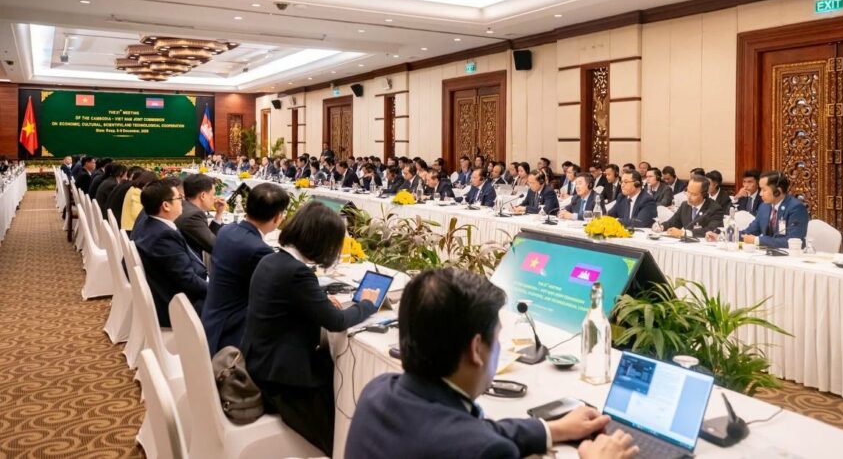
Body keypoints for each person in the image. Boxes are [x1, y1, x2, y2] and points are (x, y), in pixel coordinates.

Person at [346, 268, 639, 459]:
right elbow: (476, 440)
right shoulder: (483, 450)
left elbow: (474, 430)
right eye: (497, 338)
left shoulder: (378, 390)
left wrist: (554, 429)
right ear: (476, 349)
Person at [242, 202, 380, 453]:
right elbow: (336, 322)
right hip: (281, 381)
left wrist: (320, 302)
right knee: (341, 387)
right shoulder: (297, 273)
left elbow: (292, 304)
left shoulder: (271, 260)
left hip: (259, 363)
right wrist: (367, 304)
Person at [202, 183, 289, 356]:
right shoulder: (259, 250)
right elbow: (276, 295)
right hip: (232, 334)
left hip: (212, 319)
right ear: (277, 217)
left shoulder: (227, 230)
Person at [132, 179, 208, 327]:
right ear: (166, 205)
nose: (183, 202)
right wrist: (217, 290)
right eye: (179, 198)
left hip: (167, 292)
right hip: (175, 306)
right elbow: (188, 280)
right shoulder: (163, 236)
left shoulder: (151, 223)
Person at [739, 171, 809, 248]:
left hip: (790, 254)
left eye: (764, 190)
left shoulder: (796, 208)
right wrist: (732, 234)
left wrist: (758, 240)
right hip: (767, 253)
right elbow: (749, 232)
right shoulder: (764, 207)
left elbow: (793, 241)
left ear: (777, 191)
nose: (760, 194)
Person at [175, 174, 228, 258]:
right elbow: (215, 246)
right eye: (213, 194)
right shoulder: (194, 215)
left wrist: (218, 214)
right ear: (203, 195)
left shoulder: (183, 206)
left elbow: (207, 237)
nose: (215, 198)